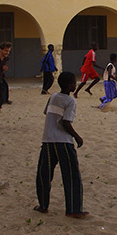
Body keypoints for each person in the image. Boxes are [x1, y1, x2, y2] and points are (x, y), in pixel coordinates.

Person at [34, 71, 89, 219]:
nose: (75, 85)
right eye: (73, 83)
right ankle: (73, 209)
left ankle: (43, 206)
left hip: (48, 140)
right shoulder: (70, 101)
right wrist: (77, 136)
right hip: (63, 142)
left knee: (44, 174)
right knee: (71, 175)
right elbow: (65, 123)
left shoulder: (53, 97)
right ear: (68, 85)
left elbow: (49, 114)